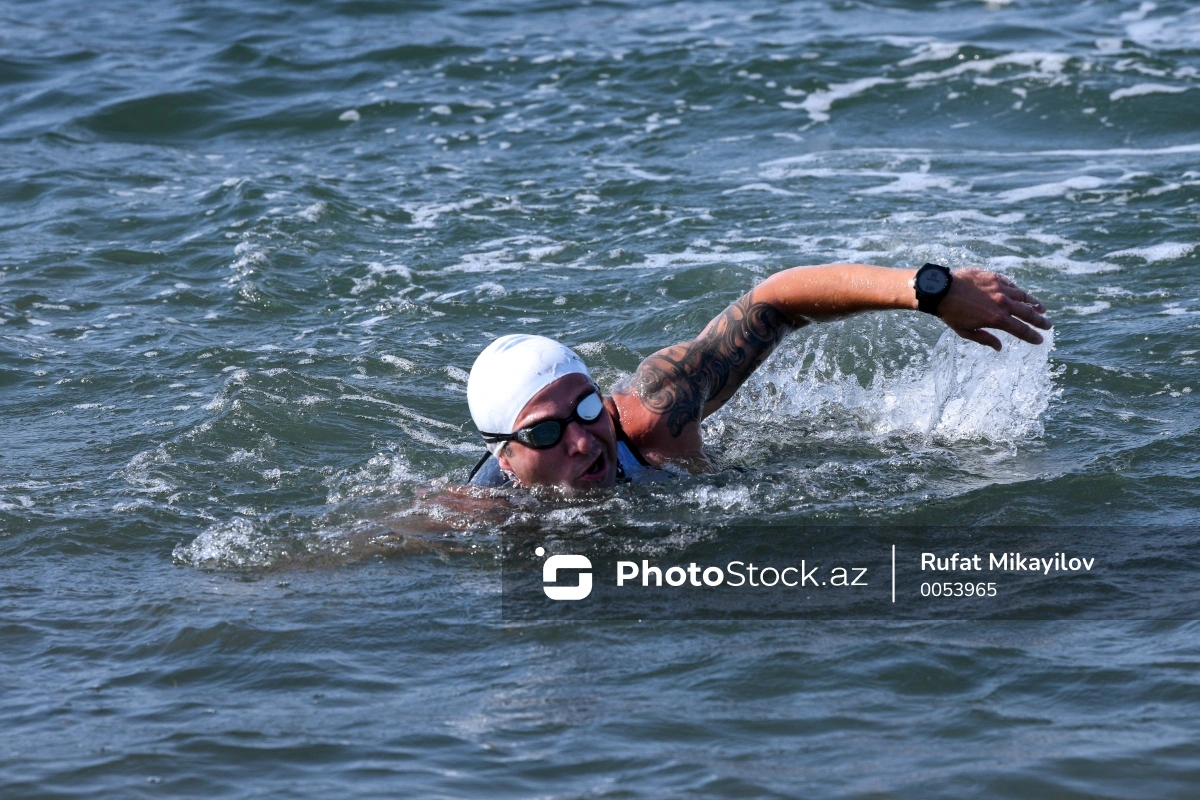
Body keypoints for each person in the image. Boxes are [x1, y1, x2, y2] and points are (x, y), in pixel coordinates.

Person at [465, 262, 1051, 491]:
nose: (582, 439)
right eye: (544, 434)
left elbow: (774, 301)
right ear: (507, 458)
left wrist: (930, 290)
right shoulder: (484, 508)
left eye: (588, 408)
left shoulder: (657, 415)